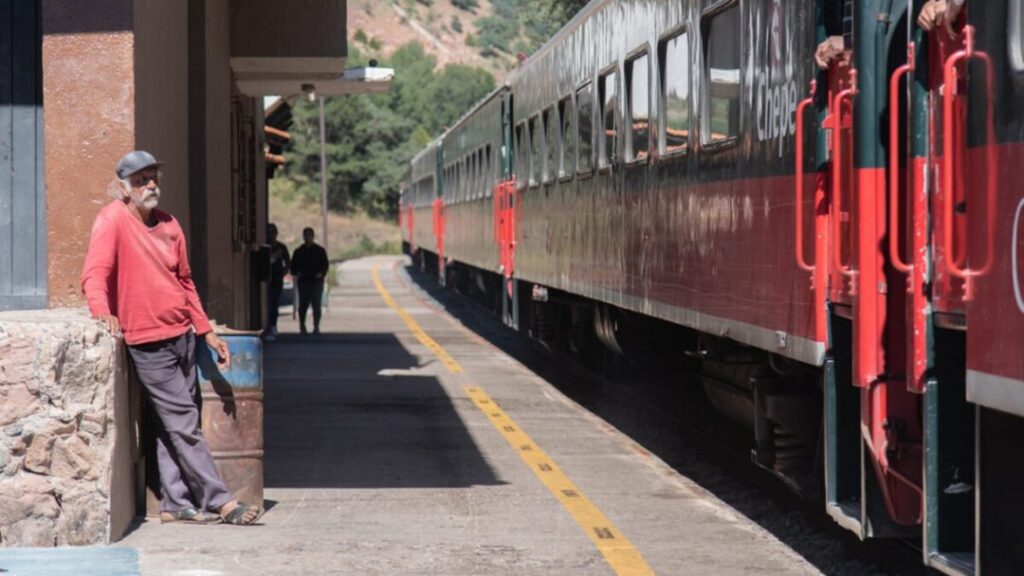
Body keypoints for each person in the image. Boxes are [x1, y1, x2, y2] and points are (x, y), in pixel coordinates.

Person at [81, 150, 262, 526]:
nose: (150, 185)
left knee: (171, 423)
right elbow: (94, 273)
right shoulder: (112, 220)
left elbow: (185, 282)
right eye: (140, 180)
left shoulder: (169, 224)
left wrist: (206, 331)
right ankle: (222, 502)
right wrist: (102, 312)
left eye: (153, 178)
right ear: (123, 188)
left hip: (182, 336)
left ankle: (175, 502)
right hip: (147, 341)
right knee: (183, 422)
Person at [290, 227, 329, 335]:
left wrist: (321, 274)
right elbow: (293, 266)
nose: (307, 237)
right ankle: (302, 326)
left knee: (316, 305)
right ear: (303, 237)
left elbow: (325, 265)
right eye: (305, 235)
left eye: (309, 235)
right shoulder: (298, 251)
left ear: (313, 236)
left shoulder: (320, 251)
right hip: (303, 282)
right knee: (303, 305)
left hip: (316, 282)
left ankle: (316, 326)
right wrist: (296, 273)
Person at [265, 223, 290, 341]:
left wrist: (282, 274)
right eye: (268, 232)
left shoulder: (281, 247)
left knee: (274, 304)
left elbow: (288, 263)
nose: (270, 235)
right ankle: (268, 327)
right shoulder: (264, 248)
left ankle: (273, 326)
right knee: (268, 304)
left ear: (276, 233)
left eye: (272, 232)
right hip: (265, 280)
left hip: (277, 280)